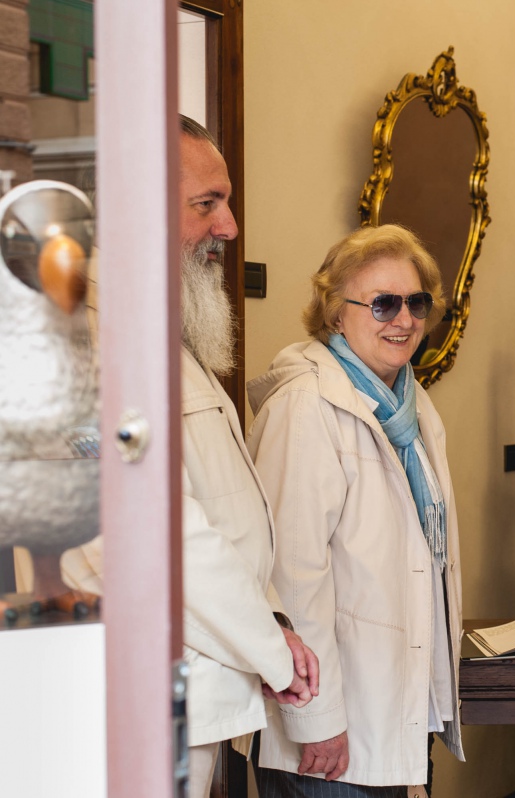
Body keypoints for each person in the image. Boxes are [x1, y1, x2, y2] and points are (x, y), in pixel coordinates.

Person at [247, 224, 464, 796]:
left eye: (416, 302)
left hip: (391, 711)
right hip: (329, 737)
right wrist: (315, 721)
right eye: (383, 303)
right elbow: (292, 579)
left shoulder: (409, 408)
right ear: (336, 315)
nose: (404, 319)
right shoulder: (305, 407)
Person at [179, 116, 323, 798]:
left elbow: (233, 519)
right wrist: (271, 648)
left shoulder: (178, 347)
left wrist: (272, 623)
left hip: (213, 684)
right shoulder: (107, 346)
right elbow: (168, 535)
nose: (230, 227)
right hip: (161, 691)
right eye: (206, 204)